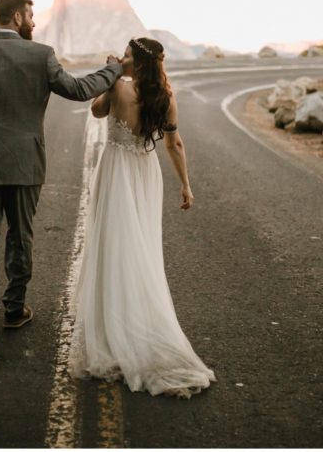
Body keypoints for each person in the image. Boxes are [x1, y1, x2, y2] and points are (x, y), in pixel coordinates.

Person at [0, 0, 122, 360]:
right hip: (25, 165)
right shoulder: (40, 55)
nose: (34, 22)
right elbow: (78, 90)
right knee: (19, 237)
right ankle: (13, 310)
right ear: (15, 17)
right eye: (29, 16)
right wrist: (113, 70)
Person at [69, 37, 215, 398]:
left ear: (138, 63)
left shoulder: (117, 84)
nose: (123, 58)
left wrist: (108, 75)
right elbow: (173, 143)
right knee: (140, 246)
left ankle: (113, 325)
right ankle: (133, 318)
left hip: (116, 168)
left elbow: (97, 111)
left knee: (114, 242)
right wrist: (186, 185)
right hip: (145, 172)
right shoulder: (165, 95)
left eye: (128, 56)